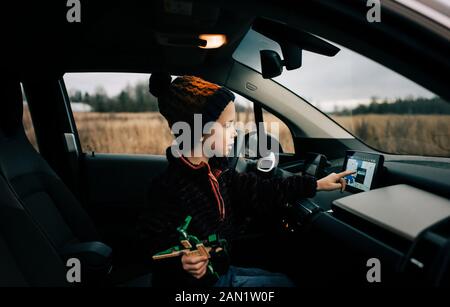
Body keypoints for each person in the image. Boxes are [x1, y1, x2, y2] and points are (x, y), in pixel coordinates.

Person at [136, 73, 354, 287]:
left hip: (222, 270)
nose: (235, 132)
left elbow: (260, 190)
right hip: (200, 285)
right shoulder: (169, 188)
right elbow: (151, 243)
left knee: (286, 278)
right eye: (228, 124)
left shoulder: (218, 171)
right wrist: (180, 261)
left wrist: (316, 184)